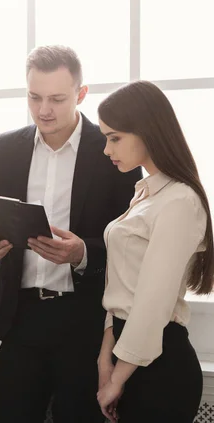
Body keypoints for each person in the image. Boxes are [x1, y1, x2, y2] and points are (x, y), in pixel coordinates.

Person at [0, 45, 142, 422]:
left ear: (81, 94)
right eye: (34, 97)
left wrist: (83, 254)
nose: (43, 109)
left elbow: (135, 243)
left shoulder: (113, 149)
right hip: (20, 318)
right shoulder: (5, 147)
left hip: (85, 320)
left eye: (57, 99)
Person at [96, 80, 213, 423]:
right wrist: (105, 360)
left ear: (147, 131)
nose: (107, 149)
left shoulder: (179, 201)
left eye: (114, 137)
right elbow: (118, 288)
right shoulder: (145, 194)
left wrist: (117, 378)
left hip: (160, 367)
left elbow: (152, 303)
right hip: (126, 356)